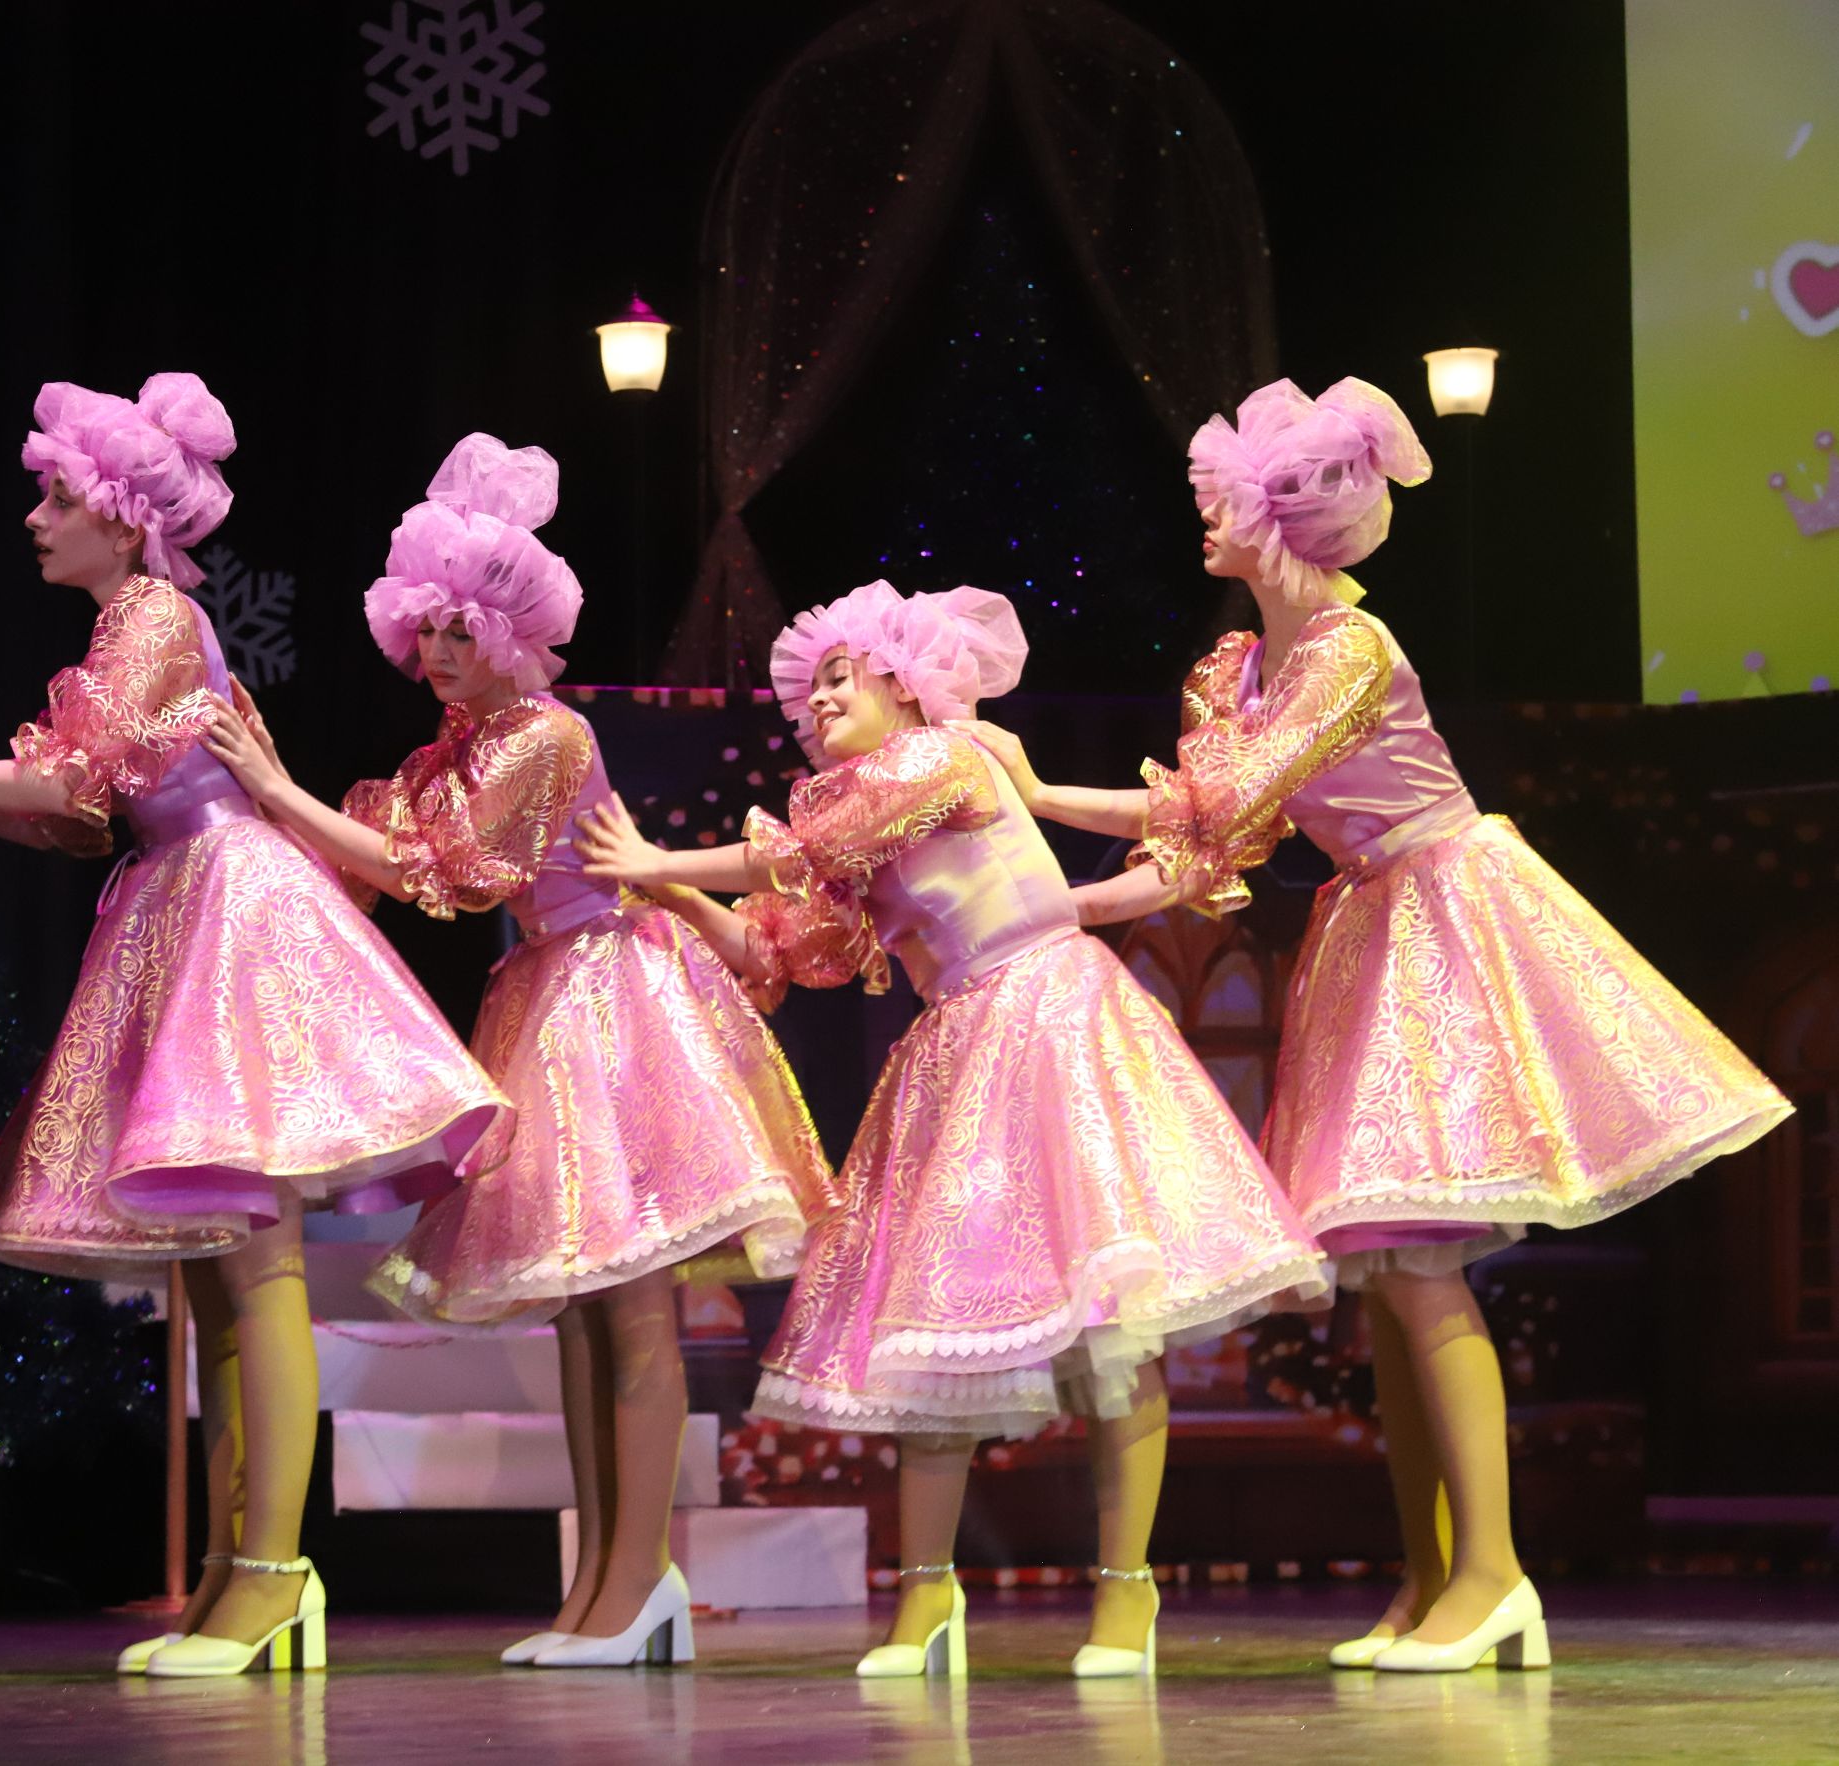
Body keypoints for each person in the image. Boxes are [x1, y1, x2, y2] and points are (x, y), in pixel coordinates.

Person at [965, 377, 1793, 1671]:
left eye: (1223, 501)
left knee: (1418, 1264)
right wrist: (1045, 884)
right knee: (1385, 1271)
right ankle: (1430, 1574)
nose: (1203, 518)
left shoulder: (1348, 650)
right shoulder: (1233, 668)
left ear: (1279, 518)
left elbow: (1225, 798)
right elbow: (1210, 849)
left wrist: (1045, 791)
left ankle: (1493, 1574)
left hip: (1443, 918)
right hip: (1367, 924)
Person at [0, 376, 505, 1678]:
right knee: (214, 1264)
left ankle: (274, 1573)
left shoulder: (151, 616)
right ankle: (235, 1569)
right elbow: (74, 818)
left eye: (56, 497)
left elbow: (66, 779)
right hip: (171, 898)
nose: (35, 517)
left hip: (227, 911)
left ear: (125, 518)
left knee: (254, 1259)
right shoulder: (124, 628)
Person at [577, 579, 1327, 1678]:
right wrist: (670, 897)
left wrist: (659, 862)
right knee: (930, 1335)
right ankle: (926, 1595)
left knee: (1115, 1327)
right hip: (957, 1047)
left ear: (903, 681)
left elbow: (794, 855)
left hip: (1049, 1021)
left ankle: (1126, 1592)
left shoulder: (944, 757)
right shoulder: (854, 816)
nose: (818, 699)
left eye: (841, 676)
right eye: (810, 688)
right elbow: (782, 947)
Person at [200, 433, 835, 1670]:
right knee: (582, 1317)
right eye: (426, 628)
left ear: (510, 632)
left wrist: (276, 787)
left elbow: (444, 876)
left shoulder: (543, 736)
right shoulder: (455, 750)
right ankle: (605, 1585)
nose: (437, 651)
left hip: (613, 997)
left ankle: (636, 1582)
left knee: (632, 1307)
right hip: (548, 991)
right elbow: (367, 863)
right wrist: (253, 810)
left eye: (461, 630)